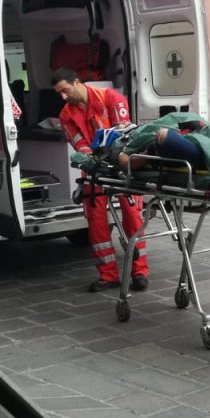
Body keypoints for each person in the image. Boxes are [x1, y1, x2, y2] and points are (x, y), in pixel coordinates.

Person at [52, 68, 150, 292]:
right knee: (96, 221)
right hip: (95, 168)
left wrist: (108, 156)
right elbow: (80, 146)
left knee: (132, 216)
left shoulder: (112, 99)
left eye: (66, 91)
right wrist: (95, 160)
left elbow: (124, 135)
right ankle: (108, 275)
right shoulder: (66, 115)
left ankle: (140, 272)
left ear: (77, 82)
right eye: (60, 94)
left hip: (122, 164)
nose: (64, 97)